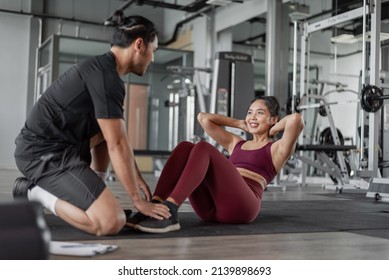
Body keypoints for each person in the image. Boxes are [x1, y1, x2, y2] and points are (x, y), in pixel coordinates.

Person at [13, 11, 171, 236]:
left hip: (63, 149)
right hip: (42, 154)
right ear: (139, 45)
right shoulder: (106, 77)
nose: (152, 59)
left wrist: (136, 178)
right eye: (153, 51)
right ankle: (33, 192)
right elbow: (116, 144)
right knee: (110, 221)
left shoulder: (106, 72)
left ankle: (95, 188)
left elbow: (116, 137)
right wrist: (137, 200)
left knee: (110, 128)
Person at [127, 96, 304, 233]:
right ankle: (155, 206)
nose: (252, 117)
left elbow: (295, 119)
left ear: (273, 118)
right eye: (249, 112)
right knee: (186, 147)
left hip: (242, 207)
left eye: (260, 113)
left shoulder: (277, 149)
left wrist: (272, 130)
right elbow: (203, 118)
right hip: (210, 208)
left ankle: (171, 209)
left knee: (204, 147)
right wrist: (240, 123)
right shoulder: (237, 143)